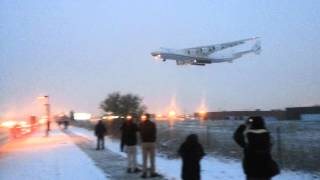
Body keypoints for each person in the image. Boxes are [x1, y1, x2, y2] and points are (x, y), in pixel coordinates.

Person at [139, 114, 159, 178]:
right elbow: (155, 132)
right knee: (152, 159)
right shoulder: (153, 124)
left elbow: (140, 132)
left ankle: (144, 173)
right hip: (151, 143)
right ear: (149, 118)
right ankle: (152, 173)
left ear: (145, 118)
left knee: (144, 159)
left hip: (144, 143)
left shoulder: (141, 124)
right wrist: (153, 139)